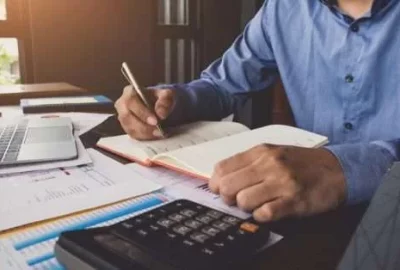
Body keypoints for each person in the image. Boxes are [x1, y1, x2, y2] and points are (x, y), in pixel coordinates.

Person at [115, 0, 400, 222]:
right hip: (306, 215)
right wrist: (172, 102)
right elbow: (222, 87)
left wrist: (343, 169)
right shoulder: (284, 9)